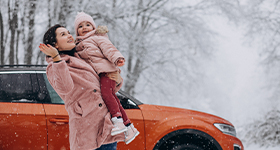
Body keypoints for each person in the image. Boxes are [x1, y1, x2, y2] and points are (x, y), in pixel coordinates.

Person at [39, 24, 124, 150]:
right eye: (63, 34)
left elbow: (102, 88)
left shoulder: (82, 58)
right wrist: (57, 58)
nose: (69, 35)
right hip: (86, 132)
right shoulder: (54, 67)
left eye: (68, 32)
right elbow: (65, 88)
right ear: (55, 45)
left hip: (106, 129)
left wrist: (114, 78)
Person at [74, 12, 139, 144]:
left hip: (109, 71)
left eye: (88, 24)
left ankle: (117, 120)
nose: (85, 27)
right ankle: (129, 127)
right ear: (77, 31)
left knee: (106, 94)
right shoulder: (79, 44)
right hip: (102, 73)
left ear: (93, 27)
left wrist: (117, 58)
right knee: (113, 97)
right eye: (80, 26)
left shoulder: (98, 38)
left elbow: (109, 49)